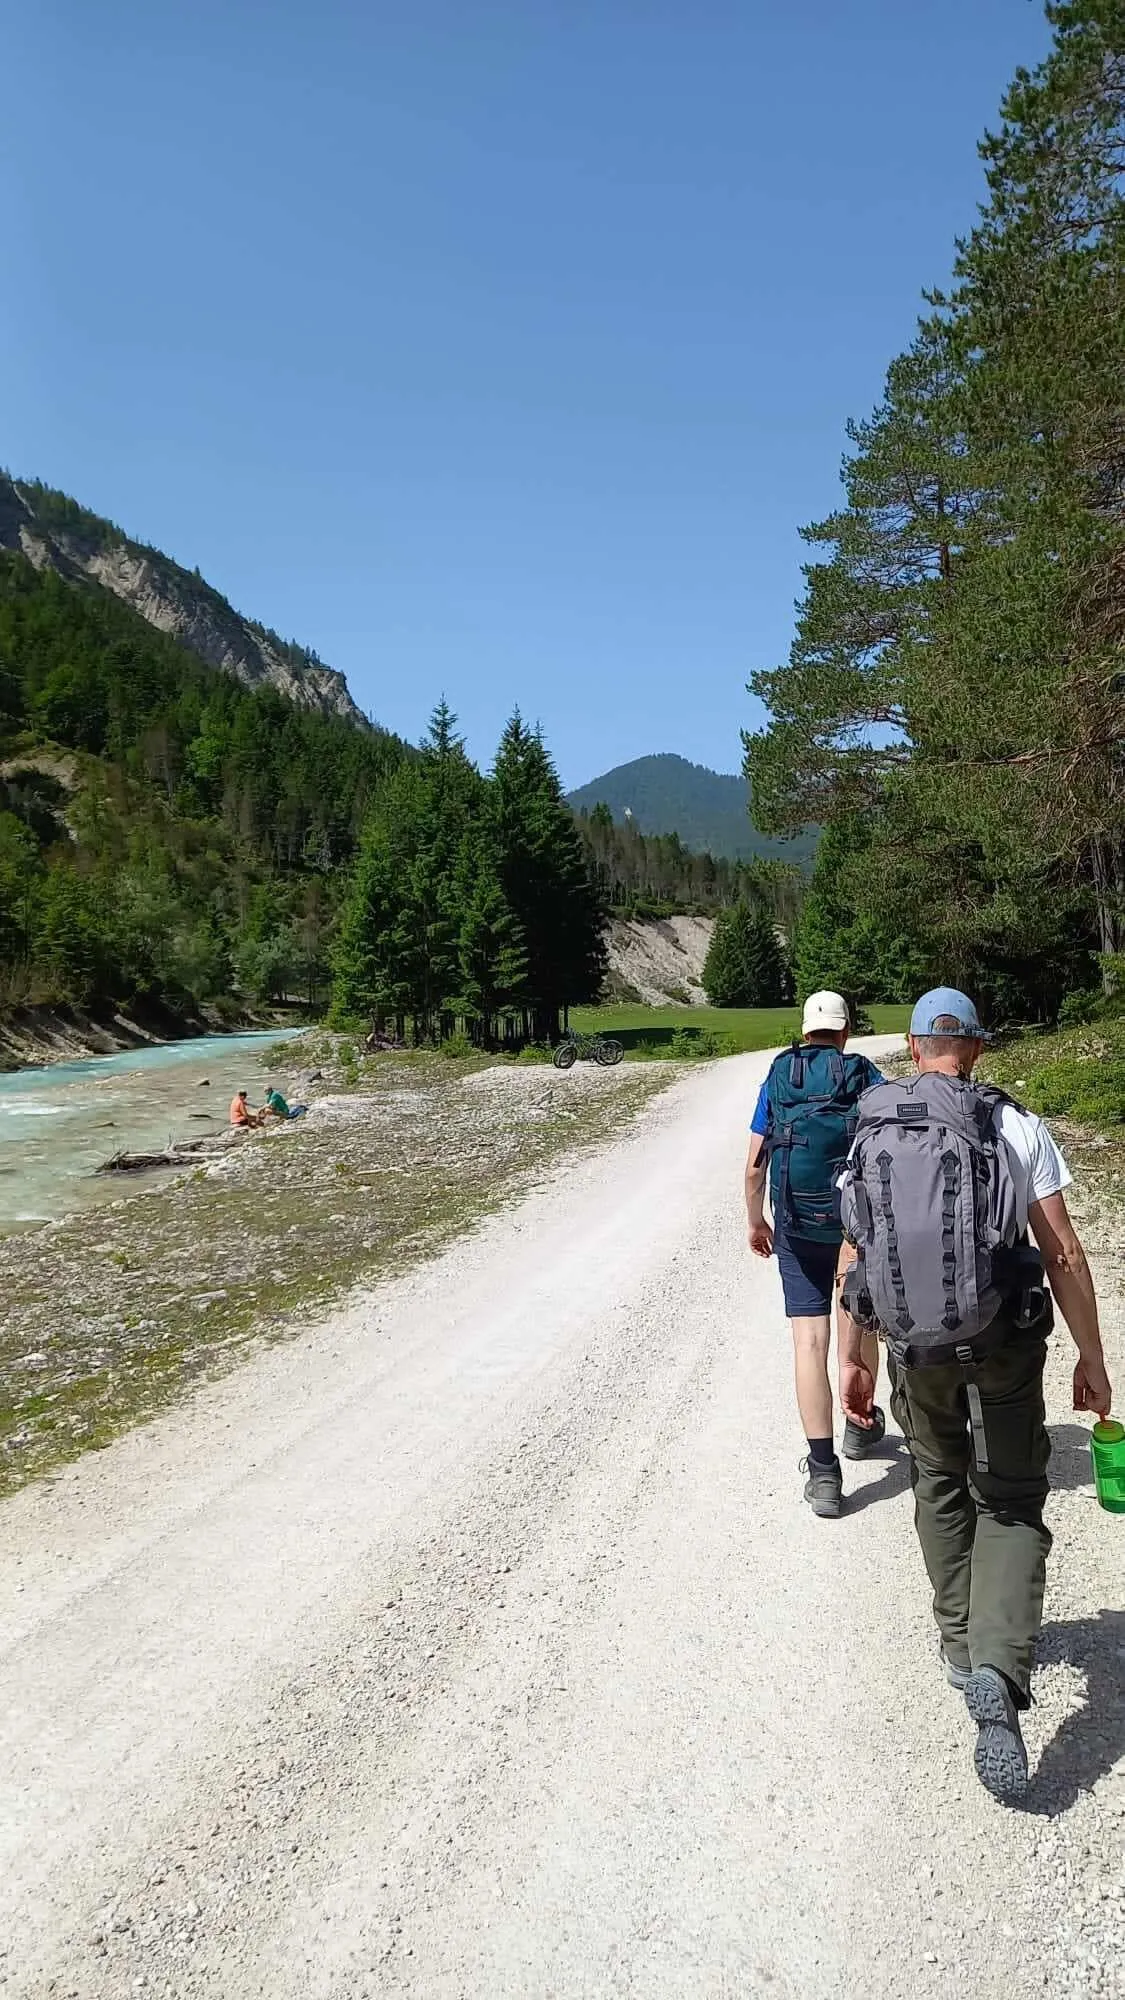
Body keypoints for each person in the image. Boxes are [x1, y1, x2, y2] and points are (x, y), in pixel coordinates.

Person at [837, 987, 1113, 1802]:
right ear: (976, 1049)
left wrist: (851, 1358)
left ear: (914, 1046)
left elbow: (856, 1255)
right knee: (1013, 1498)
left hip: (913, 1349)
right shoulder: (1013, 1125)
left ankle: (960, 1649)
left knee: (935, 1479)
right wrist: (1092, 1358)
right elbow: (1061, 1252)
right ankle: (999, 1662)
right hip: (1001, 1345)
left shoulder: (873, 1123)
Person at [744, 990, 887, 1519]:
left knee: (809, 1342)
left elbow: (757, 1162)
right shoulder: (863, 1073)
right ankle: (860, 1425)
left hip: (798, 1227)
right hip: (853, 1225)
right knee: (860, 1326)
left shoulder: (779, 1075)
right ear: (846, 1031)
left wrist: (757, 1219)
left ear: (803, 1032)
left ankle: (825, 1473)